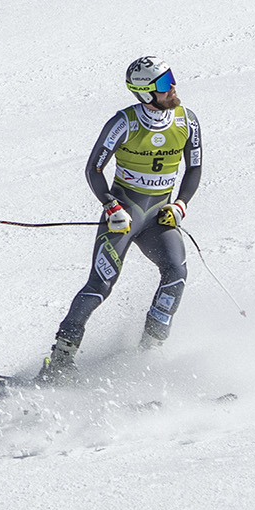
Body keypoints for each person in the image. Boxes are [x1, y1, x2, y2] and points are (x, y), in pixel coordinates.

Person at [44, 57, 203, 380]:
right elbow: (94, 169)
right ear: (145, 93)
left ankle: (150, 351)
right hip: (124, 218)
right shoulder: (124, 123)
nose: (172, 86)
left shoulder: (187, 121)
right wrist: (111, 206)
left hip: (159, 219)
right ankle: (61, 358)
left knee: (176, 272)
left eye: (171, 77)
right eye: (163, 83)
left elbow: (195, 167)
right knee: (100, 285)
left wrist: (180, 205)